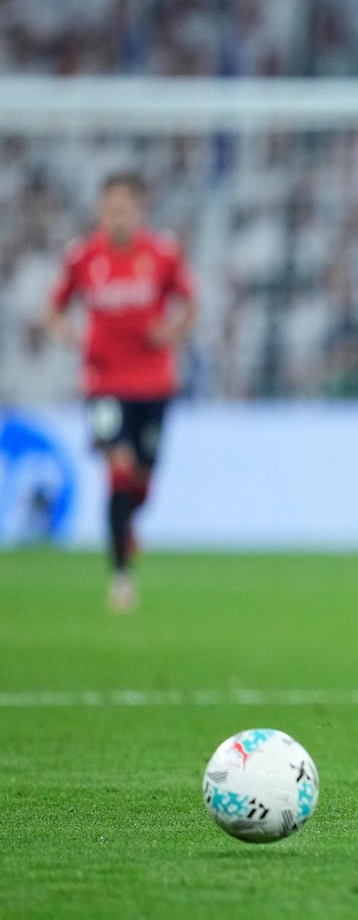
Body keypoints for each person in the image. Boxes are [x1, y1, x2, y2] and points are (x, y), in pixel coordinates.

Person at [46, 172, 196, 613]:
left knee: (143, 477)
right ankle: (121, 579)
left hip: (154, 383)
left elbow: (191, 305)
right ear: (100, 211)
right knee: (118, 468)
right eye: (111, 208)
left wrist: (172, 331)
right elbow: (54, 308)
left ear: (140, 210)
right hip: (104, 382)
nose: (118, 216)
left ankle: (128, 523)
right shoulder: (82, 257)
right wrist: (66, 332)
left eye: (126, 208)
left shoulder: (163, 254)